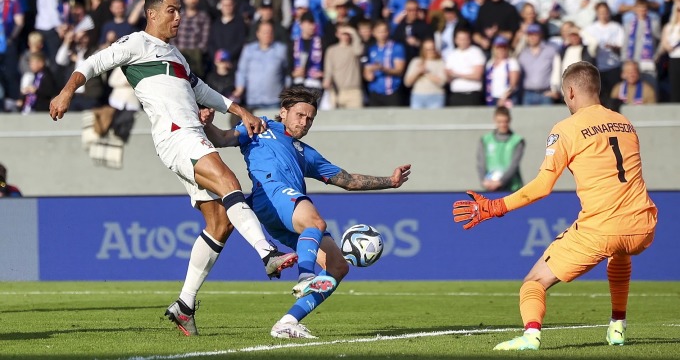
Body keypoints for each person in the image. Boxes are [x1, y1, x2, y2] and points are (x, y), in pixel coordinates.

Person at [47, 0, 298, 336]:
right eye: (171, 10)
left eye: (179, 11)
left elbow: (203, 90)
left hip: (191, 134)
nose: (178, 17)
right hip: (177, 136)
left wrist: (239, 110)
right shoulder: (136, 43)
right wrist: (65, 91)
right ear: (152, 13)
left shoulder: (178, 56)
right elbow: (93, 64)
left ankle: (184, 305)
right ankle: (267, 252)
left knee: (220, 223)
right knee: (229, 182)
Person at [453, 61, 657, 351]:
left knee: (533, 282)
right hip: (643, 224)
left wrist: (494, 208)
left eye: (564, 95)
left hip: (600, 229)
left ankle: (530, 336)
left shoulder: (566, 128)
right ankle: (617, 327)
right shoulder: (625, 123)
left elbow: (541, 187)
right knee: (620, 254)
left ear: (571, 92)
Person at [201, 87, 411, 338]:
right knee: (316, 222)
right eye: (300, 115)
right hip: (271, 195)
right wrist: (207, 126)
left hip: (285, 213)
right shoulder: (261, 127)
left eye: (310, 118)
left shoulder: (306, 153)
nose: (305, 122)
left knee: (338, 266)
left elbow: (348, 180)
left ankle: (287, 323)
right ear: (283, 112)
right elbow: (223, 139)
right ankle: (305, 277)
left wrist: (391, 181)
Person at [477, 106, 524, 192]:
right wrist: (484, 181)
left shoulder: (517, 140)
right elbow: (481, 163)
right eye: (499, 122)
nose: (502, 125)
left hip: (512, 188)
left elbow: (514, 165)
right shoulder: (485, 140)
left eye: (505, 122)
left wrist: (500, 182)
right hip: (490, 187)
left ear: (510, 120)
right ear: (494, 120)